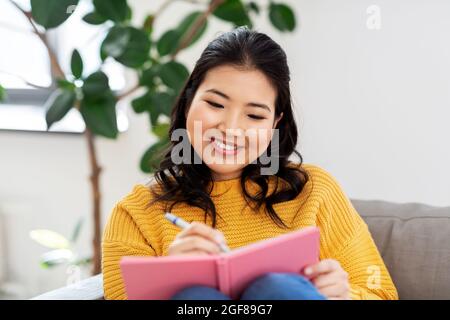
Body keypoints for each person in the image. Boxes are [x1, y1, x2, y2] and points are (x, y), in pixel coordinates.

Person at [102, 27, 398, 300]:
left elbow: (381, 293)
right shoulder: (135, 214)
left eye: (254, 115)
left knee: (277, 289)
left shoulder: (315, 190)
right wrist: (166, 280)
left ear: (275, 123)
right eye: (216, 104)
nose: (230, 128)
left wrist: (342, 296)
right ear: (189, 100)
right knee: (193, 297)